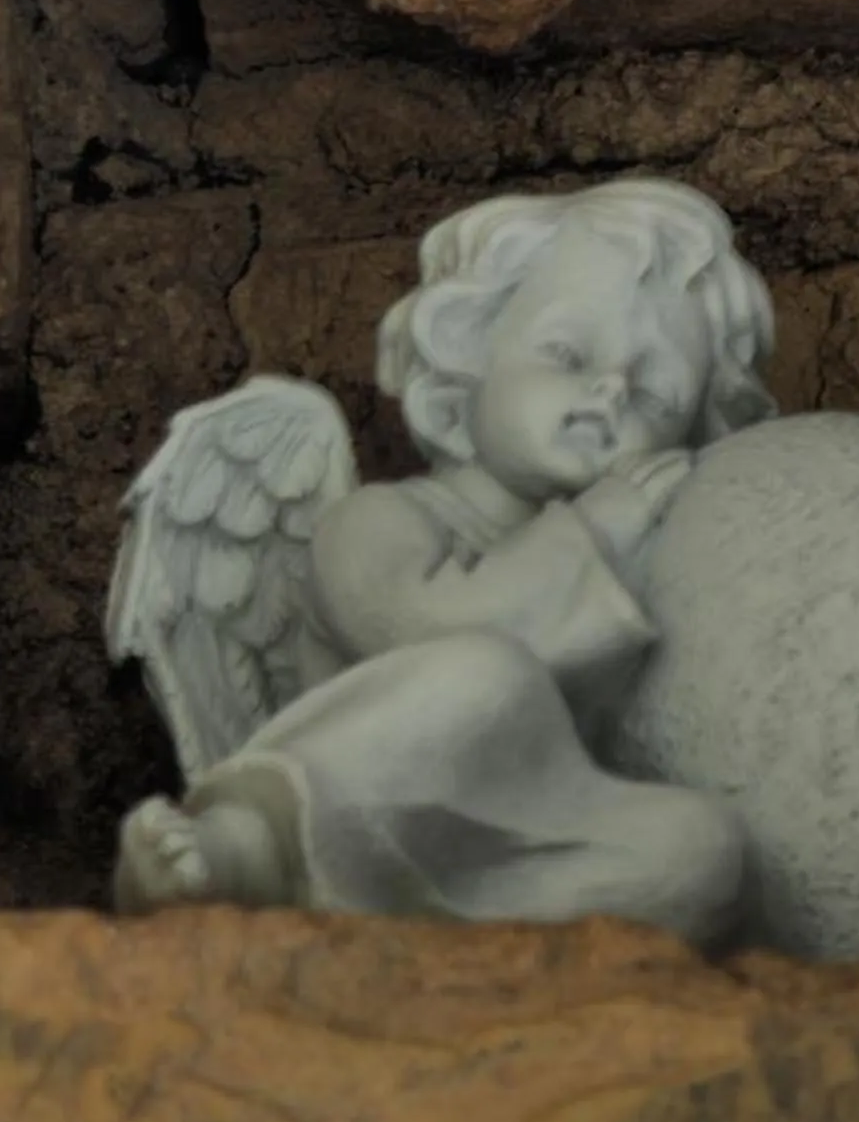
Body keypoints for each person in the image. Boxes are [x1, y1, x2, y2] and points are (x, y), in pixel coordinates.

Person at [114, 178, 776, 947]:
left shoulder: (625, 575)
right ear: (468, 358)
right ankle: (244, 853)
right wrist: (590, 535)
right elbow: (434, 634)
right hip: (332, 820)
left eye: (656, 397)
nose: (609, 392)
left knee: (704, 847)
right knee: (484, 674)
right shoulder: (378, 522)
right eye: (566, 352)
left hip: (497, 861)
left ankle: (459, 941)